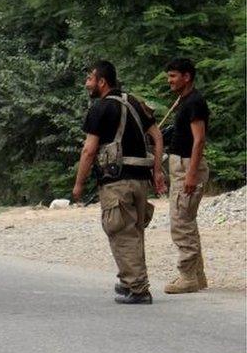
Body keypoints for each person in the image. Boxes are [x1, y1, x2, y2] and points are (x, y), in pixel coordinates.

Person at [72, 61, 167, 304]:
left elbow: (89, 151)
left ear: (102, 82)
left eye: (90, 79)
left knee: (121, 232)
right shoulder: (135, 102)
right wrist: (157, 171)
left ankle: (138, 289)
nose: (87, 84)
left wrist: (79, 184)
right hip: (140, 180)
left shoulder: (100, 109)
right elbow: (157, 137)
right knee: (134, 232)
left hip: (116, 182)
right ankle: (130, 281)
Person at [162, 58, 210, 294]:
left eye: (173, 76)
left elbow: (199, 140)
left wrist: (191, 174)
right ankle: (197, 276)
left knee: (181, 222)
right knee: (186, 220)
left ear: (186, 77)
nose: (169, 80)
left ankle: (187, 276)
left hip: (188, 166)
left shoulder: (195, 102)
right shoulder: (184, 101)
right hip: (180, 165)